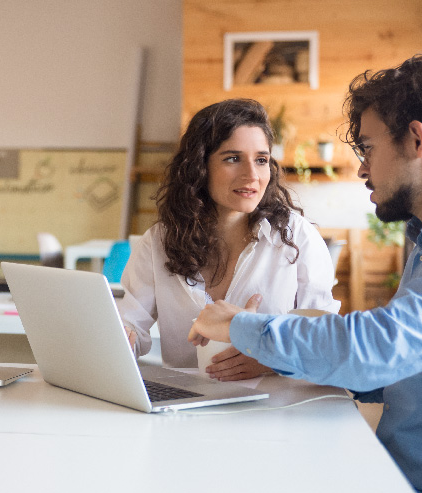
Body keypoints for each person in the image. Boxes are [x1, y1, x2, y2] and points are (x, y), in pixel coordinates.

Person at [188, 54, 422, 493]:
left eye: (368, 147)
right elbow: (408, 370)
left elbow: (381, 347)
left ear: (415, 140)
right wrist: (279, 356)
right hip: (396, 474)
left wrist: (239, 325)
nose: (362, 168)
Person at [118, 98, 340, 375]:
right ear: (199, 166)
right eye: (233, 159)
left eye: (261, 160)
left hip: (277, 409)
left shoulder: (296, 237)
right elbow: (128, 325)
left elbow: (326, 338)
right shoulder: (159, 241)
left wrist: (272, 359)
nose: (252, 175)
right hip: (184, 409)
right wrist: (121, 338)